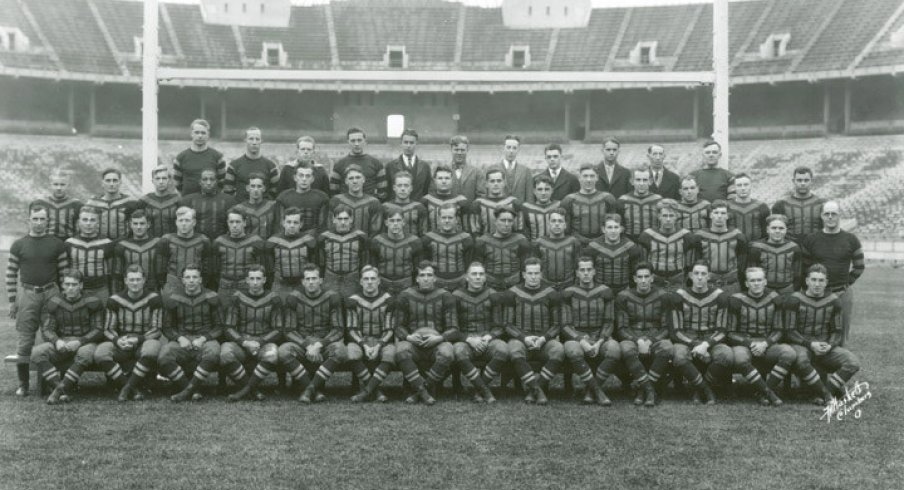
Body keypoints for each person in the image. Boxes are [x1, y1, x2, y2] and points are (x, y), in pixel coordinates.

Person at [6, 204, 69, 396]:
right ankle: (23, 384)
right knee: (25, 339)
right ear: (29, 220)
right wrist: (12, 299)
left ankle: (55, 382)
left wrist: (64, 297)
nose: (39, 222)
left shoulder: (57, 244)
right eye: (35, 219)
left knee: (54, 336)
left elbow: (64, 273)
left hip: (52, 292)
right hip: (28, 293)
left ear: (47, 221)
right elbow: (10, 273)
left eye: (43, 219)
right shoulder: (19, 244)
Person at [785, 264, 861, 404]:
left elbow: (837, 331)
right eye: (813, 280)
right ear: (807, 281)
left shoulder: (834, 300)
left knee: (852, 362)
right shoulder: (794, 299)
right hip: (802, 345)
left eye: (821, 280)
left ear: (826, 282)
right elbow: (789, 331)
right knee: (801, 360)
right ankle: (826, 394)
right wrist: (810, 344)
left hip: (824, 346)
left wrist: (830, 345)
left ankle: (824, 391)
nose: (817, 284)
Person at [497, 258, 564, 405]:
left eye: (536, 273)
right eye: (530, 273)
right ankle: (537, 390)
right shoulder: (512, 293)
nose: (533, 276)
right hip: (521, 339)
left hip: (543, 340)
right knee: (514, 350)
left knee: (558, 349)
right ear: (523, 274)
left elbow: (557, 325)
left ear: (541, 274)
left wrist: (543, 338)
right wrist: (523, 338)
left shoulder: (551, 293)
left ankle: (536, 387)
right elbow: (507, 325)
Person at [34, 269, 105, 405]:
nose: (70, 288)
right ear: (63, 285)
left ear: (81, 285)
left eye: (74, 284)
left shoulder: (92, 301)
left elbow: (98, 329)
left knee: (85, 353)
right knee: (37, 352)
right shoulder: (53, 302)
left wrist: (80, 341)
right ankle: (60, 388)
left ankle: (58, 391)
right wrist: (56, 341)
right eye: (67, 284)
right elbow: (47, 329)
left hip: (85, 342)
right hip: (63, 342)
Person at [394, 261, 461, 405]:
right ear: (416, 278)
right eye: (422, 275)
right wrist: (409, 337)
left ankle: (421, 391)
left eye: (429, 275)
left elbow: (454, 328)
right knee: (401, 350)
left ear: (435, 278)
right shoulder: (405, 296)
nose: (426, 278)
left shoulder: (445, 296)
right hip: (414, 343)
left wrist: (439, 338)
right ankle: (425, 392)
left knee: (447, 353)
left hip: (437, 342)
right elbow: (398, 326)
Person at [94, 264, 163, 402]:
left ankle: (126, 388)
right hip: (122, 341)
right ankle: (131, 388)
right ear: (125, 280)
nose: (135, 283)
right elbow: (108, 328)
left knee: (152, 349)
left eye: (138, 279)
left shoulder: (154, 298)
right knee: (100, 353)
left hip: (143, 340)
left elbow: (157, 329)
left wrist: (139, 339)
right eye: (131, 280)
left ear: (144, 280)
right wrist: (117, 340)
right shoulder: (114, 300)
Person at [799, 201, 864, 345]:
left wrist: (845, 283)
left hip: (842, 293)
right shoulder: (811, 239)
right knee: (815, 333)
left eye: (833, 214)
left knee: (841, 334)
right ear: (821, 216)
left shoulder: (851, 239)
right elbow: (804, 268)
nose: (830, 217)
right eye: (826, 214)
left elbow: (859, 266)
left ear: (839, 216)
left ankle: (841, 363)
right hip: (817, 294)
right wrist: (813, 288)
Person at [724, 267, 791, 406]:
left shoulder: (775, 298)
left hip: (767, 343)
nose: (756, 283)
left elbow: (779, 330)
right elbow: (730, 332)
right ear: (746, 283)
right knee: (740, 358)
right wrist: (750, 344)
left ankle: (761, 392)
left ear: (765, 282)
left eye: (759, 280)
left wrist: (766, 343)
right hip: (745, 342)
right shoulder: (736, 300)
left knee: (788, 353)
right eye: (752, 280)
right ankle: (768, 393)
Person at [668, 261, 731, 404]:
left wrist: (706, 345)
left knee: (726, 355)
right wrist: (696, 345)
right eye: (696, 273)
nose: (700, 277)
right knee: (679, 356)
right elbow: (675, 331)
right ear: (690, 276)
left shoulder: (720, 296)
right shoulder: (679, 296)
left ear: (709, 276)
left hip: (711, 338)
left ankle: (697, 390)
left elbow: (722, 330)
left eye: (703, 274)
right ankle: (707, 391)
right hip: (686, 337)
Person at [281, 265, 347, 402]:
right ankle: (314, 391)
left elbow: (338, 329)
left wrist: (319, 345)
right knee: (283, 351)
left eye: (314, 278)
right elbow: (289, 330)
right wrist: (306, 345)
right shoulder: (293, 298)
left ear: (321, 280)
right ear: (303, 281)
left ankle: (309, 390)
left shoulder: (332, 297)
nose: (311, 282)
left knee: (340, 350)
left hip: (323, 343)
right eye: (308, 279)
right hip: (303, 344)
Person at [159, 264, 222, 402]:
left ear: (201, 279)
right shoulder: (173, 298)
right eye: (188, 277)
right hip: (183, 338)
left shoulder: (211, 296)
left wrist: (204, 338)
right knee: (164, 355)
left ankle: (188, 391)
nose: (191, 280)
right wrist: (179, 338)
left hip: (205, 338)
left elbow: (219, 327)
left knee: (213, 352)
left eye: (195, 277)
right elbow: (167, 327)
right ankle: (190, 389)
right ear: (182, 280)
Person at [560, 257, 618, 406]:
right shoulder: (568, 292)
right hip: (576, 337)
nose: (586, 273)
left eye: (589, 270)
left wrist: (599, 342)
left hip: (599, 336)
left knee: (614, 349)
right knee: (573, 351)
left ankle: (589, 390)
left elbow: (609, 321)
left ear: (594, 272)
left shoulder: (605, 291)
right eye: (582, 270)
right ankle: (597, 390)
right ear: (577, 273)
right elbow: (565, 324)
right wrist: (581, 340)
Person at [220, 266, 283, 402]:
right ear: (247, 280)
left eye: (258, 279)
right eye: (252, 279)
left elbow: (278, 329)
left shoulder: (274, 298)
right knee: (225, 353)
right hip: (243, 341)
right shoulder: (237, 297)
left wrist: (260, 342)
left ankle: (245, 391)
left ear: (264, 280)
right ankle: (252, 389)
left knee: (272, 355)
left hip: (263, 341)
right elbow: (228, 327)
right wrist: (244, 342)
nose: (255, 282)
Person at [614, 262, 673, 407]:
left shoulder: (663, 296)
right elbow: (621, 329)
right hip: (632, 335)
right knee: (625, 348)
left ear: (652, 278)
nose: (643, 280)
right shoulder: (623, 297)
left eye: (647, 276)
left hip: (655, 336)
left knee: (667, 347)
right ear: (634, 279)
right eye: (640, 277)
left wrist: (651, 341)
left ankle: (643, 390)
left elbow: (666, 328)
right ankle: (650, 390)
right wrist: (638, 341)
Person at [451, 262, 507, 403]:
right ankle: (485, 390)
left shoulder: (492, 294)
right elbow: (452, 327)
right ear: (466, 277)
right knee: (458, 351)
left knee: (502, 349)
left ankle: (478, 389)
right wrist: (469, 339)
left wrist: (488, 337)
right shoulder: (456, 295)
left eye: (481, 274)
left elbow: (499, 326)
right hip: (466, 340)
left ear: (485, 278)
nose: (477, 277)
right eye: (474, 274)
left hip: (487, 338)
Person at [347, 267, 397, 403]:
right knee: (351, 352)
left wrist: (378, 346)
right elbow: (352, 328)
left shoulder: (388, 300)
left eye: (373, 279)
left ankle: (366, 391)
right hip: (360, 340)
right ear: (361, 282)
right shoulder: (353, 300)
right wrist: (364, 345)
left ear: (379, 281)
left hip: (382, 340)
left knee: (390, 354)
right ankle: (376, 390)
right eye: (366, 279)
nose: (369, 282)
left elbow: (390, 329)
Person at [636, 200, 702, 292]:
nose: (668, 219)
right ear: (659, 217)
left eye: (671, 216)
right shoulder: (647, 235)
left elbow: (690, 264)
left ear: (676, 217)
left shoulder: (686, 236)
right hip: (655, 281)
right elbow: (642, 263)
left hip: (677, 280)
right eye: (664, 216)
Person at [211, 208, 265, 307]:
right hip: (225, 287)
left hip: (247, 287)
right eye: (231, 222)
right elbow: (214, 269)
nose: (234, 225)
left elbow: (263, 268)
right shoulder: (219, 242)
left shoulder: (256, 241)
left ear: (244, 222)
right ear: (227, 223)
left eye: (238, 222)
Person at [692, 200, 748, 294]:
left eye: (723, 213)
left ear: (727, 216)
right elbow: (697, 260)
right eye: (716, 212)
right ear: (710, 215)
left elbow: (742, 263)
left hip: (731, 284)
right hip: (708, 284)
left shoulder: (737, 236)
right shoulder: (700, 236)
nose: (719, 216)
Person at [156, 206, 213, 297]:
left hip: (195, 285)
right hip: (172, 285)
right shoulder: (166, 240)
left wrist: (201, 284)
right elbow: (160, 268)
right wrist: (164, 285)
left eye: (187, 220)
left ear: (194, 222)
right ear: (176, 222)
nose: (183, 224)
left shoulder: (203, 240)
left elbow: (208, 268)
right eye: (180, 220)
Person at [472, 208, 533, 291]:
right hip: (489, 288)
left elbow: (525, 268)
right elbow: (477, 267)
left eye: (510, 221)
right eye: (503, 220)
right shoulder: (483, 241)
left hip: (514, 287)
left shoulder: (520, 240)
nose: (506, 224)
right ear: (496, 221)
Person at [66, 205, 116, 303]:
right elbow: (66, 271)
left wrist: (112, 293)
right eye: (85, 220)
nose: (88, 223)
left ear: (98, 223)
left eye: (92, 220)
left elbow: (111, 272)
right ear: (78, 222)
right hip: (77, 291)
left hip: (101, 290)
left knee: (102, 316)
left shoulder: (107, 243)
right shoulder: (70, 243)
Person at [265, 207, 318, 299]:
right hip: (280, 285)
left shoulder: (309, 241)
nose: (292, 225)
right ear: (283, 223)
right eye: (289, 222)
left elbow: (314, 264)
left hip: (302, 285)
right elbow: (269, 267)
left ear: (301, 224)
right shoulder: (273, 241)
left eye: (295, 222)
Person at [560, 163, 618, 246]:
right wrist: (581, 240)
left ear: (597, 177)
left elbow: (613, 225)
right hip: (577, 244)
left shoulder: (608, 198)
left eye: (592, 176)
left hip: (603, 244)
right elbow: (567, 229)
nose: (588, 180)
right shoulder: (569, 200)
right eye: (585, 176)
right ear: (579, 178)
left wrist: (599, 241)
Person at [317, 206, 369, 299]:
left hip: (352, 278)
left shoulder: (360, 237)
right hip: (330, 277)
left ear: (351, 219)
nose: (343, 222)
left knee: (351, 305)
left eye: (346, 219)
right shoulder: (324, 237)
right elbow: (320, 262)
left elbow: (364, 262)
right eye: (339, 219)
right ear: (333, 219)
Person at [368, 210, 424, 295]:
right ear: (386, 223)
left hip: (406, 285)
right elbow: (373, 268)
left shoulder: (414, 242)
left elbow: (418, 270)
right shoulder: (377, 241)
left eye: (398, 220)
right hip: (383, 285)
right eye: (392, 220)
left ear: (403, 222)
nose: (395, 224)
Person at [421, 204, 475, 291]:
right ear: (438, 220)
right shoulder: (428, 239)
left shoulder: (466, 239)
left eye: (450, 218)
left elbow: (468, 265)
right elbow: (425, 265)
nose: (447, 221)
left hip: (460, 284)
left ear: (457, 220)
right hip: (436, 284)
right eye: (443, 217)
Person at [747, 214, 801, 294]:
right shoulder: (757, 247)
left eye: (781, 228)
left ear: (786, 230)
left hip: (787, 289)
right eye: (774, 228)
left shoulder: (794, 248)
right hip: (764, 290)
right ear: (767, 229)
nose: (777, 231)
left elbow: (798, 273)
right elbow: (751, 273)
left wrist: (794, 290)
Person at [113, 210, 165, 293]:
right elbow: (117, 274)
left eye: (142, 223)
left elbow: (162, 273)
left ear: (148, 224)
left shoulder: (158, 243)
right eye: (135, 223)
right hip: (130, 291)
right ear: (130, 225)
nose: (138, 227)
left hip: (152, 290)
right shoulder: (122, 246)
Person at [179, 168, 238, 241]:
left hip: (222, 242)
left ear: (216, 181)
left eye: (212, 179)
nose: (208, 182)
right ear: (200, 182)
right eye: (205, 179)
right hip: (195, 243)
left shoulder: (229, 200)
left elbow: (234, 224)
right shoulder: (188, 200)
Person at [85, 168, 143, 240]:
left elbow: (139, 225)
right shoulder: (93, 203)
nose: (111, 184)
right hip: (98, 245)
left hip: (123, 245)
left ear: (120, 182)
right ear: (102, 183)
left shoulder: (130, 202)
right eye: (108, 181)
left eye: (115, 180)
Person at [173, 119, 227, 195]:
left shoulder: (217, 157)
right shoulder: (180, 158)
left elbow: (222, 182)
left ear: (208, 135)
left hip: (210, 202)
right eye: (197, 132)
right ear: (191, 134)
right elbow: (177, 184)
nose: (200, 136)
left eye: (203, 133)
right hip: (188, 202)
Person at [330, 127, 387, 200]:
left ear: (365, 141)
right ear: (348, 142)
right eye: (353, 141)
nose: (356, 144)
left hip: (369, 207)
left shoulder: (376, 163)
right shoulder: (339, 164)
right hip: (346, 207)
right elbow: (333, 191)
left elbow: (382, 191)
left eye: (359, 140)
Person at [771, 166, 825, 243]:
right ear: (793, 181)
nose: (803, 183)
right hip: (790, 248)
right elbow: (775, 230)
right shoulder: (781, 204)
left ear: (811, 181)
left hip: (815, 247)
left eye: (806, 180)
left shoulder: (821, 203)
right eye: (799, 180)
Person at [224, 127, 280, 201]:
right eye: (251, 139)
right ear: (245, 140)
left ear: (261, 141)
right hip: (240, 209)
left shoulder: (271, 166)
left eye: (257, 139)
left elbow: (275, 191)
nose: (254, 142)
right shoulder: (234, 166)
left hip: (264, 210)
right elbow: (228, 191)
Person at [275, 163, 330, 235]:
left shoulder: (322, 197)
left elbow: (323, 226)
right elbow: (280, 225)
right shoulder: (283, 197)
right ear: (295, 177)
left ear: (312, 179)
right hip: (289, 240)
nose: (304, 179)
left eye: (307, 176)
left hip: (313, 240)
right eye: (301, 175)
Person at [329, 165, 383, 237]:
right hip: (341, 245)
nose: (355, 181)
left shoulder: (373, 202)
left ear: (363, 179)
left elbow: (375, 231)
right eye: (351, 178)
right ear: (346, 181)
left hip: (364, 245)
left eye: (358, 177)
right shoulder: (336, 200)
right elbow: (330, 227)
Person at [533, 208, 580, 289]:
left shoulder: (573, 242)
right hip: (545, 286)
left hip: (568, 285)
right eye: (553, 221)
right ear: (548, 224)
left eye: (560, 221)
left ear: (565, 224)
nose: (557, 224)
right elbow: (534, 267)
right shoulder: (539, 242)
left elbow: (578, 266)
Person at [31, 170, 82, 241]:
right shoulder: (40, 203)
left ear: (68, 185)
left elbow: (80, 228)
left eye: (62, 184)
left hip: (67, 242)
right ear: (50, 184)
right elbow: (32, 226)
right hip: (45, 242)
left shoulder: (76, 204)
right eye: (55, 184)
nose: (59, 188)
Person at [385, 129, 431, 202]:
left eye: (411, 143)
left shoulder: (425, 166)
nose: (408, 146)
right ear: (401, 143)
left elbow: (427, 190)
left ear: (416, 144)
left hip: (418, 207)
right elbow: (388, 191)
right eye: (406, 142)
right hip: (397, 208)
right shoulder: (390, 166)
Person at [472, 168, 522, 236]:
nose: (496, 184)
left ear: (504, 183)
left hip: (510, 243)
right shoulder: (478, 204)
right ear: (486, 184)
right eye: (492, 181)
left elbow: (519, 230)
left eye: (499, 181)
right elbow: (475, 232)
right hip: (486, 243)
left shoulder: (514, 202)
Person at [422, 165, 470, 233]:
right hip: (433, 240)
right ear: (434, 180)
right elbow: (423, 227)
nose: (444, 181)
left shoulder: (461, 200)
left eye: (447, 178)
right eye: (440, 178)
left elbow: (467, 228)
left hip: (455, 240)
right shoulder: (426, 200)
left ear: (452, 180)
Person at [619, 168, 662, 240]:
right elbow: (619, 226)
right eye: (638, 180)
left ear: (650, 182)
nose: (641, 184)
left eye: (645, 180)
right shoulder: (623, 201)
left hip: (653, 242)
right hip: (630, 242)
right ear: (632, 181)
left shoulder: (658, 200)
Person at [489, 134, 533, 204]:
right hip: (498, 211)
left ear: (518, 150)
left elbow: (529, 197)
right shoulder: (492, 169)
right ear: (503, 148)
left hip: (520, 212)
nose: (511, 151)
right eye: (508, 147)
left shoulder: (526, 171)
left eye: (514, 148)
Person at [382, 171, 428, 236]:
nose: (403, 189)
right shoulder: (385, 207)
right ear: (394, 188)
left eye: (406, 185)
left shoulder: (419, 207)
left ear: (411, 188)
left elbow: (423, 233)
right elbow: (381, 234)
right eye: (399, 185)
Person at [726, 172, 770, 241]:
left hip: (756, 246)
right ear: (734, 188)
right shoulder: (727, 206)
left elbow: (766, 233)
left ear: (751, 186)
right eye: (739, 185)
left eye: (746, 185)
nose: (743, 188)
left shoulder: (761, 206)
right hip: (733, 247)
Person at [441, 135, 485, 201]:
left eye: (462, 150)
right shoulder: (442, 170)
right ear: (451, 150)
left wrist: (473, 207)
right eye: (456, 150)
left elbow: (481, 195)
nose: (459, 153)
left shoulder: (476, 172)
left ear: (467, 150)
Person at [140, 166, 181, 238]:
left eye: (164, 178)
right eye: (158, 178)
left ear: (168, 180)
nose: (161, 182)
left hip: (172, 242)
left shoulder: (177, 199)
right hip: (150, 243)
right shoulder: (145, 200)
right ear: (153, 181)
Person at [521, 175, 560, 241]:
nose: (543, 193)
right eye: (539, 189)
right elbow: (524, 233)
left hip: (554, 247)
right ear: (534, 191)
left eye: (547, 189)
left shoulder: (559, 206)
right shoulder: (526, 208)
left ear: (552, 190)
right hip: (534, 247)